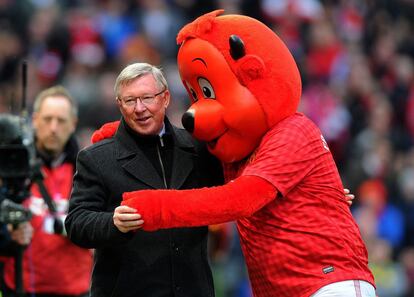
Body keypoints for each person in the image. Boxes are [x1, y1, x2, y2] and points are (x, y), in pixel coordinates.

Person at [64, 62, 224, 297]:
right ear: (119, 105)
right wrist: (113, 223)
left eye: (147, 97)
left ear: (166, 98)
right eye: (130, 101)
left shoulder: (197, 148)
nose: (140, 108)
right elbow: (76, 224)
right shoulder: (95, 158)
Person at [1, 86, 93, 297]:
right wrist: (9, 235)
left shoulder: (89, 169)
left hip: (75, 287)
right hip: (20, 286)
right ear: (34, 120)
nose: (53, 128)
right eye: (47, 119)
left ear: (73, 125)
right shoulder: (12, 168)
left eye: (61, 121)